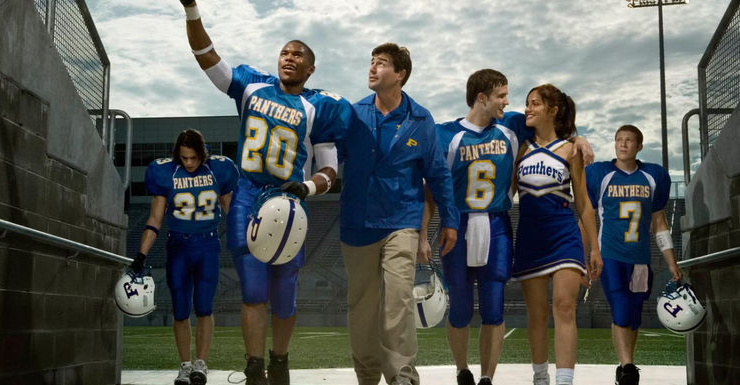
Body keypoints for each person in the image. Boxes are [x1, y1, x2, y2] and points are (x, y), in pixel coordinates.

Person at [179, 1, 353, 384]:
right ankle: (254, 366)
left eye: (299, 55)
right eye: (285, 53)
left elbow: (329, 170)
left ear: (310, 68)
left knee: (286, 293)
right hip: (247, 194)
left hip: (290, 202)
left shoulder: (318, 106)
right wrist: (192, 10)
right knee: (253, 290)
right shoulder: (251, 85)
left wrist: (306, 186)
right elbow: (206, 56)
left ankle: (280, 360)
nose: (289, 58)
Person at [425, 70, 594, 385]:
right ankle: (463, 370)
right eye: (502, 96)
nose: (510, 102)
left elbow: (554, 125)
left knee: (494, 306)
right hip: (457, 224)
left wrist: (578, 138)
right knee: (460, 307)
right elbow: (430, 190)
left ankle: (488, 377)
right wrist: (422, 233)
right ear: (482, 97)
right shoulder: (444, 133)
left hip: (498, 222)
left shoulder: (512, 126)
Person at [339, 42, 459, 385]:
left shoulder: (421, 120)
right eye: (371, 62)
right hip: (357, 223)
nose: (372, 68)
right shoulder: (352, 114)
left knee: (398, 303)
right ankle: (366, 376)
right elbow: (326, 153)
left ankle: (403, 378)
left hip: (401, 223)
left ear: (400, 74)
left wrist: (450, 219)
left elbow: (437, 174)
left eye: (381, 63)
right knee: (362, 309)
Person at [131, 129, 239, 385]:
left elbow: (232, 213)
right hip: (178, 246)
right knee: (180, 310)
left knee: (204, 307)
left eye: (193, 158)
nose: (188, 163)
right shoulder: (166, 172)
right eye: (184, 158)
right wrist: (141, 254)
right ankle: (185, 365)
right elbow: (155, 218)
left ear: (203, 154)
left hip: (208, 246)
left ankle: (200, 363)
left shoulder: (219, 170)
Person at [511, 84, 602, 385]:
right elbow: (506, 194)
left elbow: (584, 203)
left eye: (535, 104)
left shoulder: (570, 149)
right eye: (527, 103)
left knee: (564, 306)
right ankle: (540, 378)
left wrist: (594, 248)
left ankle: (564, 381)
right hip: (530, 239)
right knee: (536, 314)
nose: (528, 109)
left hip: (564, 237)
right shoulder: (520, 149)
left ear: (553, 110)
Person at [584, 124, 683, 385]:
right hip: (611, 255)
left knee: (635, 313)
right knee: (621, 308)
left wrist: (671, 262)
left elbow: (659, 223)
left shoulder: (653, 176)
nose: (623, 144)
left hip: (640, 258)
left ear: (639, 146)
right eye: (619, 140)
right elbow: (586, 217)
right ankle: (628, 367)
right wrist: (588, 253)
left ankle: (625, 366)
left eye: (629, 140)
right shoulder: (600, 174)